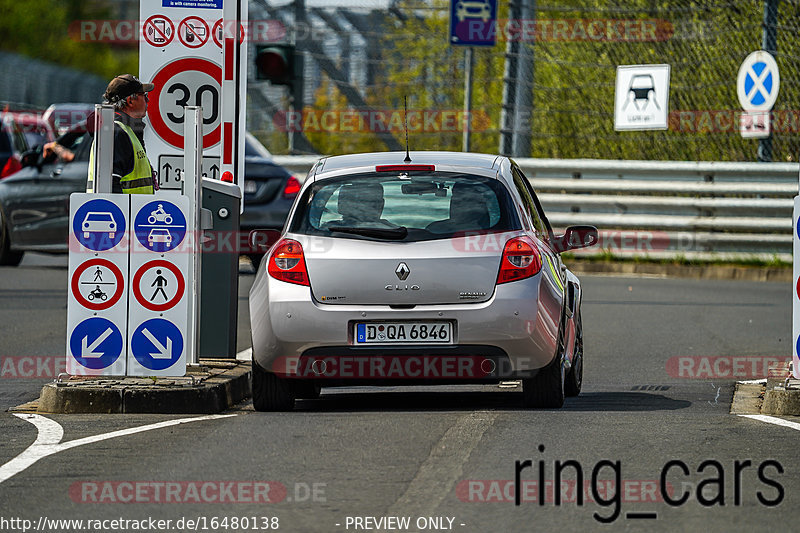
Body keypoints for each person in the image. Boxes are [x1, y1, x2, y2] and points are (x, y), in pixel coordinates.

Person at [87, 74, 157, 194]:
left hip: (132, 210)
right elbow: (109, 188)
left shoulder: (126, 130)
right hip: (122, 211)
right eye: (144, 96)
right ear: (130, 101)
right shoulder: (115, 132)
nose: (148, 100)